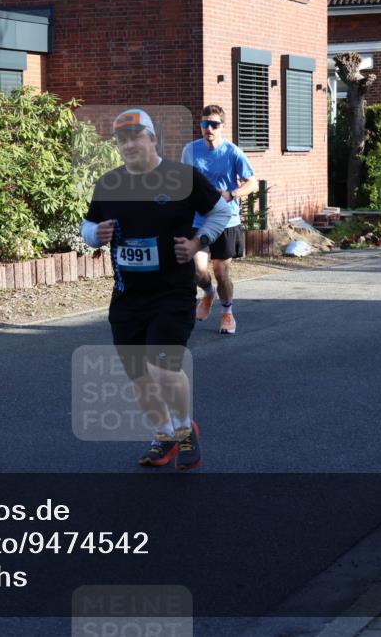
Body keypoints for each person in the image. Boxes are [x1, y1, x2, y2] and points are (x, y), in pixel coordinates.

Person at [81, 108, 231, 470]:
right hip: (127, 295)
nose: (129, 145)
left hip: (171, 291)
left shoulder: (182, 177)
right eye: (122, 140)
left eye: (136, 137)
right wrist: (95, 234)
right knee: (139, 374)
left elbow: (221, 212)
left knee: (163, 366)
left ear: (152, 139)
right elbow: (87, 226)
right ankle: (163, 436)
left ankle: (185, 429)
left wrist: (198, 242)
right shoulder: (110, 183)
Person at [181, 105, 256, 334]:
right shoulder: (190, 151)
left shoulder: (232, 152)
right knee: (197, 270)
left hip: (226, 220)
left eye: (214, 124)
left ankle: (227, 313)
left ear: (222, 126)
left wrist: (232, 194)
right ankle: (208, 293)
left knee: (221, 272)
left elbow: (252, 182)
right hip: (198, 220)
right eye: (205, 124)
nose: (209, 129)